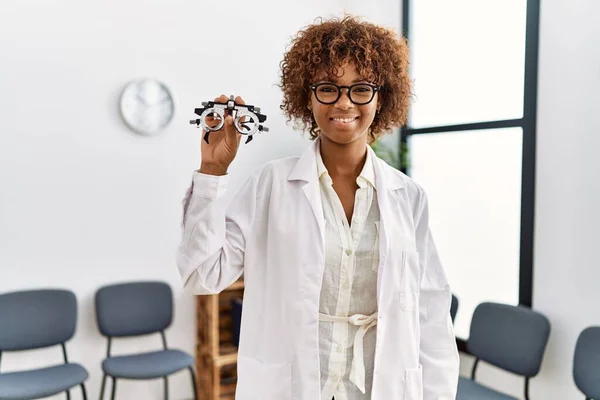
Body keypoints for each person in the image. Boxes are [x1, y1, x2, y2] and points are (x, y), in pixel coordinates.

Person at [177, 15, 459, 400]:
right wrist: (212, 172)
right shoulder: (270, 185)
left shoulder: (408, 197)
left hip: (379, 387)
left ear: (382, 97)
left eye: (361, 89)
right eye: (328, 88)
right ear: (307, 97)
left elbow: (431, 314)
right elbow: (201, 274)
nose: (344, 102)